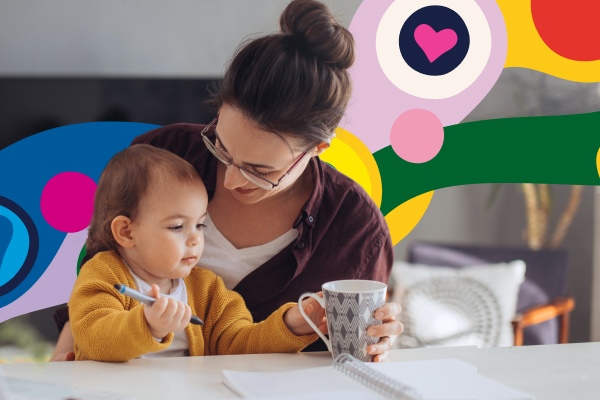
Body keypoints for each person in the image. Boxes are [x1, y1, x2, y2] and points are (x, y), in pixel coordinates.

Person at [52, 0, 403, 362]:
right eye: (220, 146)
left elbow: (341, 353)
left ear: (318, 148)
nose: (232, 180)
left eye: (260, 170)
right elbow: (95, 279)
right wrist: (63, 370)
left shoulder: (356, 231)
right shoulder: (161, 157)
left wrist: (370, 335)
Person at [70, 144, 328, 361]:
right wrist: (149, 325)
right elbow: (93, 336)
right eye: (177, 226)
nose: (195, 238)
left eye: (201, 224)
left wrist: (291, 324)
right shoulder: (102, 273)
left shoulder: (207, 289)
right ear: (126, 232)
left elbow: (239, 344)